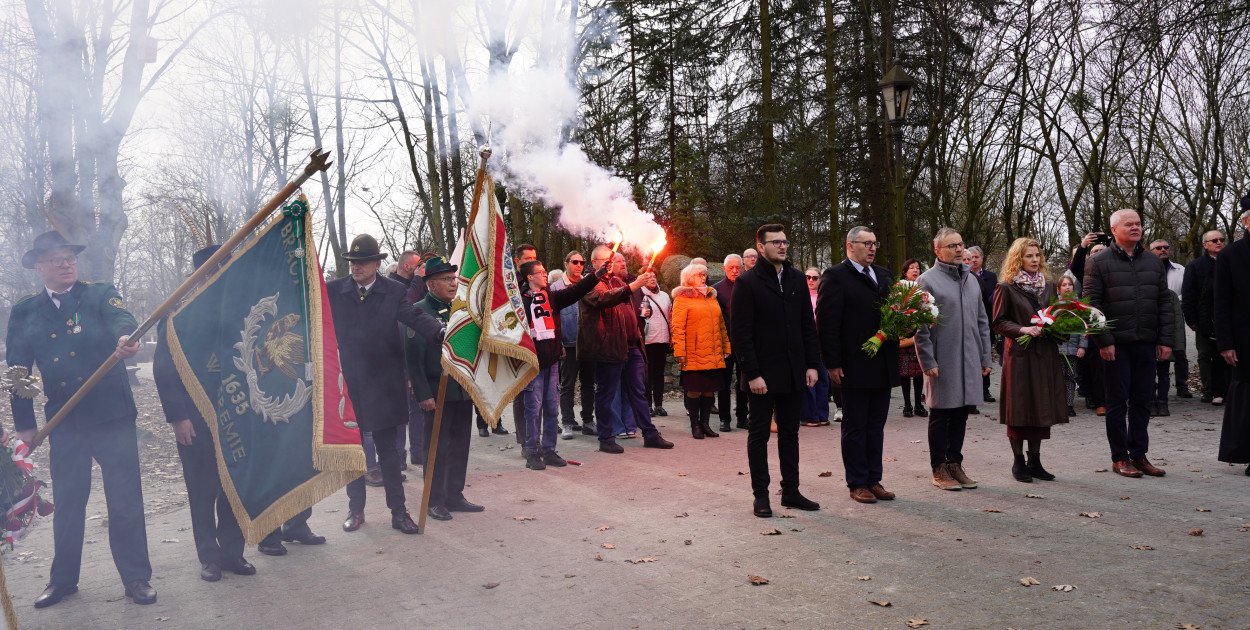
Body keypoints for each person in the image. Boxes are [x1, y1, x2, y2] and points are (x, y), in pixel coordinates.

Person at [7, 231, 156, 608]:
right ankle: (63, 581)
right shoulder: (25, 311)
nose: (65, 263)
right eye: (56, 258)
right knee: (70, 501)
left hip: (111, 415)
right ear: (39, 266)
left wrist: (127, 339)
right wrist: (25, 421)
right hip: (65, 419)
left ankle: (136, 578)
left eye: (69, 256)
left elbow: (124, 320)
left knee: (124, 499)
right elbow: (19, 369)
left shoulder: (99, 294)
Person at [153, 244, 255, 583]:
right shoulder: (177, 315)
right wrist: (178, 416)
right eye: (213, 272)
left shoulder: (241, 310)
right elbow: (165, 370)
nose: (219, 278)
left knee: (233, 486)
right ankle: (208, 557)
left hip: (237, 413)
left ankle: (232, 553)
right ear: (199, 277)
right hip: (194, 418)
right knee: (202, 488)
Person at [331, 234, 423, 535]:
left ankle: (399, 512)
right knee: (353, 453)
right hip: (349, 384)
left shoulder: (394, 290)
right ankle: (355, 510)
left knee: (389, 453)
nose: (355, 267)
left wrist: (439, 332)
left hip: (384, 383)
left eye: (361, 262)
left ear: (376, 263)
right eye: (352, 262)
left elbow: (412, 316)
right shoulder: (334, 291)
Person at [733, 224, 822, 517]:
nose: (782, 247)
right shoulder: (748, 283)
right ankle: (761, 495)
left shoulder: (796, 278)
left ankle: (791, 491)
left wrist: (811, 364)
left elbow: (807, 326)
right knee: (759, 435)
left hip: (794, 371)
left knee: (790, 433)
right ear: (761, 247)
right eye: (775, 242)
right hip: (762, 375)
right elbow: (741, 334)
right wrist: (752, 373)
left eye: (784, 242)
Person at [1083, 209, 1175, 479]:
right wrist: (1104, 340)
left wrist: (1165, 339)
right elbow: (1091, 305)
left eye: (1138, 224)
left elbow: (1164, 303)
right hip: (1116, 345)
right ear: (1114, 230)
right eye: (1129, 224)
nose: (1136, 228)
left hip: (1146, 342)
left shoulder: (1153, 262)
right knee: (1117, 402)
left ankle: (1139, 454)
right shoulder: (1098, 262)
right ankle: (1120, 457)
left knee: (1142, 401)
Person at [817, 227, 899, 504]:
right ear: (850, 246)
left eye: (875, 243)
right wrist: (832, 363)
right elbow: (827, 324)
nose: (872, 248)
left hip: (882, 363)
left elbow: (896, 313)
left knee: (876, 425)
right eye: (867, 243)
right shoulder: (835, 277)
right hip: (853, 363)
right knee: (855, 425)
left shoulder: (885, 275)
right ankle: (857, 482)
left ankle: (874, 479)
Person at [407, 257, 488, 519]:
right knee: (437, 447)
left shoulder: (460, 309)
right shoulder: (418, 311)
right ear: (430, 284)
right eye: (446, 279)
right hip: (436, 390)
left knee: (459, 444)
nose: (453, 283)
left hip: (460, 388)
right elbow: (413, 358)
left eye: (454, 279)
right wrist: (423, 394)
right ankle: (434, 499)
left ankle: (454, 494)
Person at [915, 228, 993, 491]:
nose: (959, 250)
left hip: (969, 357)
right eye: (952, 246)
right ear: (938, 251)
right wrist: (928, 361)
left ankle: (955, 463)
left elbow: (982, 321)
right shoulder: (927, 281)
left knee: (961, 413)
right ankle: (938, 467)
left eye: (961, 245)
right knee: (941, 414)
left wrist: (985, 356)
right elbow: (921, 327)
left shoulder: (971, 280)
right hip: (943, 358)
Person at [578, 245, 674, 453]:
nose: (610, 264)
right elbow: (604, 299)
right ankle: (606, 437)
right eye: (606, 260)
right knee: (606, 393)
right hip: (609, 347)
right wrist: (634, 285)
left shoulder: (617, 280)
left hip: (631, 346)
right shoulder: (589, 283)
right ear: (595, 263)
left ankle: (650, 434)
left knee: (638, 392)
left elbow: (627, 303)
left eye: (612, 261)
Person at [991, 238, 1069, 483]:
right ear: (1018, 259)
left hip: (1044, 355)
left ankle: (1035, 460)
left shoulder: (1049, 286)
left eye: (1037, 255)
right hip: (1020, 357)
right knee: (1020, 408)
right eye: (1029, 256)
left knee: (1040, 407)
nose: (1035, 260)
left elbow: (1058, 316)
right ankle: (1018, 462)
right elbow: (998, 321)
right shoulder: (1006, 287)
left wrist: (1062, 328)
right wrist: (1023, 330)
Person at [516, 258, 604, 470]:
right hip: (532, 364)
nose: (545, 275)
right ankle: (532, 452)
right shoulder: (520, 301)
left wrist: (596, 275)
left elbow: (576, 291)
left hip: (552, 361)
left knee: (552, 409)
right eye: (541, 272)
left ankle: (549, 451)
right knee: (532, 410)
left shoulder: (552, 297)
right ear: (530, 277)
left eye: (546, 271)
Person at [670, 262, 731, 439]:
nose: (703, 277)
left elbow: (721, 326)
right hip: (694, 353)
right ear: (689, 278)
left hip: (713, 352)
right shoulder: (682, 299)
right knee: (695, 389)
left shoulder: (711, 297)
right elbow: (678, 328)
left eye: (704, 274)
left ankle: (705, 424)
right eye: (699, 274)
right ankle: (695, 425)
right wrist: (680, 351)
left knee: (709, 390)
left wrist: (726, 346)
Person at [1215, 197, 1250, 476]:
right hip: (1245, 337)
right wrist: (1225, 342)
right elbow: (1221, 302)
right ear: (1245, 221)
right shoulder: (1230, 255)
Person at [551, 251, 596, 439]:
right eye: (575, 262)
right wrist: (558, 341)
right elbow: (552, 317)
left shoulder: (591, 284)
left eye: (582, 262)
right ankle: (567, 422)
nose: (579, 265)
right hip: (568, 343)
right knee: (567, 385)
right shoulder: (555, 287)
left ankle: (588, 420)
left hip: (589, 342)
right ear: (566, 263)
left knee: (588, 384)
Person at [1183, 230, 1228, 406]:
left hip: (1227, 317)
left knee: (1226, 354)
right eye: (1214, 240)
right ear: (1205, 244)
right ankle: (1209, 389)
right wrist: (1191, 320)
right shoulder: (1195, 266)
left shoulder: (1230, 261)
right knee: (1205, 355)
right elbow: (1188, 295)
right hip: (1204, 319)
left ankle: (1226, 389)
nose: (1219, 242)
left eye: (1221, 240)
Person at [1150, 239, 1191, 399]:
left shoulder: (1180, 269)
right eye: (1158, 248)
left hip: (1176, 314)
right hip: (1153, 314)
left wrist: (1173, 301)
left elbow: (1187, 292)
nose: (1163, 250)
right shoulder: (1146, 268)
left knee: (1180, 352)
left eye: (1166, 247)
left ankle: (1182, 385)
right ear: (1151, 250)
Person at [714, 254, 749, 432]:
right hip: (725, 343)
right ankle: (724, 419)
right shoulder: (716, 290)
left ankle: (742, 417)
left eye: (738, 267)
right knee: (724, 382)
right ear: (724, 269)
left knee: (745, 381)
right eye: (731, 268)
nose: (735, 271)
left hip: (745, 343)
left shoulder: (749, 286)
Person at [967, 246, 998, 405]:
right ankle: (973, 390)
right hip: (970, 322)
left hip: (987, 320)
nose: (973, 260)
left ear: (981, 258)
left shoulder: (991, 277)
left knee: (985, 354)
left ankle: (985, 389)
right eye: (970, 257)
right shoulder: (964, 276)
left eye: (976, 257)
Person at [801, 267, 831, 427]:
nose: (811, 280)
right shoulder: (799, 297)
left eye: (814, 277)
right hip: (805, 341)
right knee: (809, 377)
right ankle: (811, 415)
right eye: (807, 277)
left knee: (822, 378)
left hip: (820, 341)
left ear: (820, 280)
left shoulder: (824, 297)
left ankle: (821, 414)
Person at [640, 271, 673, 417]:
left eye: (654, 277)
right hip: (647, 340)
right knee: (647, 374)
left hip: (662, 339)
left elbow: (671, 316)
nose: (652, 279)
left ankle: (659, 405)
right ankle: (647, 406)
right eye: (648, 277)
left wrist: (671, 336)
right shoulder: (639, 294)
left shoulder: (665, 296)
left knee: (659, 374)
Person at [897, 259, 927, 418]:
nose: (915, 270)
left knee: (919, 372)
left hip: (920, 333)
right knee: (905, 372)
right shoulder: (899, 288)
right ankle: (907, 405)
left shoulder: (923, 288)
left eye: (918, 267)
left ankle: (918, 405)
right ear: (905, 271)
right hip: (904, 335)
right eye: (912, 268)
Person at [1056, 272, 1087, 417]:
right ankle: (1058, 404)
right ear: (1058, 289)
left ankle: (1069, 405)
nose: (1067, 287)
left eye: (1070, 285)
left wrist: (1082, 346)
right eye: (1064, 285)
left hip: (1073, 348)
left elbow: (1085, 328)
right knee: (1058, 376)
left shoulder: (1079, 306)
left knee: (1070, 376)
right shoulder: (1054, 306)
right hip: (1058, 348)